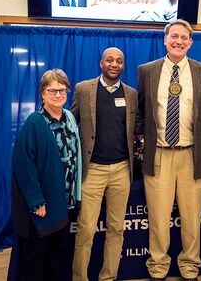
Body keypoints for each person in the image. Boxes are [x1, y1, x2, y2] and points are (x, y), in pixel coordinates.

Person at [137, 19, 201, 280]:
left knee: (192, 217)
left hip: (191, 155)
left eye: (184, 37)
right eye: (174, 36)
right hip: (159, 155)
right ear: (165, 39)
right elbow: (140, 114)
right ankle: (158, 266)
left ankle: (190, 265)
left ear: (190, 42)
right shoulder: (147, 71)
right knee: (158, 218)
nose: (179, 41)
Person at [70, 47, 138, 281]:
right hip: (93, 171)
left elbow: (136, 128)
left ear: (123, 65)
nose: (114, 64)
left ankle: (108, 277)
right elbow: (71, 122)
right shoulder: (83, 89)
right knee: (86, 229)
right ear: (101, 63)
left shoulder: (131, 94)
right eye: (109, 60)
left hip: (121, 170)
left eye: (119, 60)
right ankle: (80, 277)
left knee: (116, 229)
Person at [11, 69, 82, 281]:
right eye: (52, 91)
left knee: (58, 256)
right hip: (43, 206)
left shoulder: (69, 117)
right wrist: (36, 202)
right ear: (42, 94)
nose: (58, 95)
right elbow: (23, 166)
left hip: (65, 203)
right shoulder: (34, 122)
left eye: (62, 90)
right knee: (36, 257)